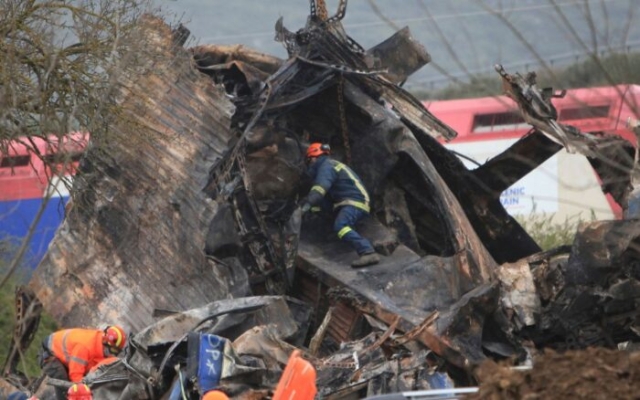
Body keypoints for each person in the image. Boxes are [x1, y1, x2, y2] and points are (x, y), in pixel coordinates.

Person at [300, 143, 380, 268]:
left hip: (354, 202)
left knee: (341, 226)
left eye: (309, 161)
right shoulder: (331, 165)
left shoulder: (327, 167)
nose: (309, 165)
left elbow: (319, 190)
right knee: (322, 211)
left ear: (314, 158)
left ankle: (367, 251)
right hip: (348, 202)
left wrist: (304, 208)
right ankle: (331, 236)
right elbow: (324, 201)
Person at [38, 326, 126, 399]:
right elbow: (75, 376)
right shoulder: (85, 347)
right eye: (112, 350)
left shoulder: (100, 349)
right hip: (49, 354)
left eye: (116, 352)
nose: (112, 354)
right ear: (105, 342)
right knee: (65, 383)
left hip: (66, 360)